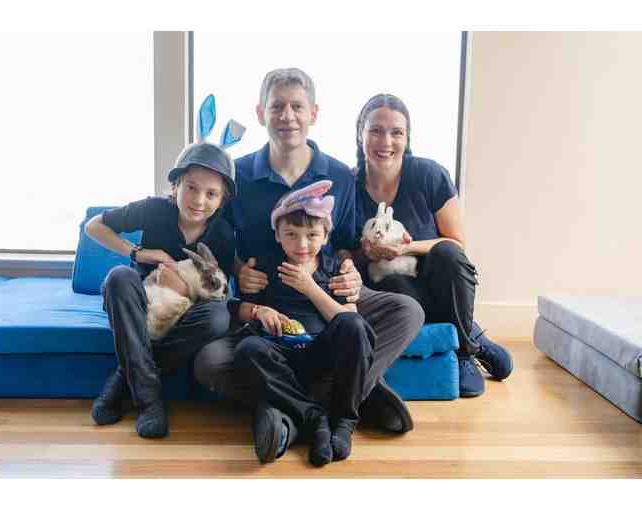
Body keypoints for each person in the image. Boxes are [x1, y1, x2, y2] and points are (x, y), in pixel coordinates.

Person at [193, 68, 424, 462]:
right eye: (277, 107)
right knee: (209, 362)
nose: (288, 116)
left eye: (297, 107)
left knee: (407, 310)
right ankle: (345, 397)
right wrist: (237, 270)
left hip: (327, 289)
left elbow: (347, 247)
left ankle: (300, 407)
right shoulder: (238, 175)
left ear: (313, 113)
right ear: (261, 114)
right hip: (269, 301)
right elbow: (216, 242)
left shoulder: (339, 175)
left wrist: (350, 271)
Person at [353, 93, 513, 397]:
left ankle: (464, 351)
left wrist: (407, 248)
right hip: (394, 290)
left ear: (407, 138)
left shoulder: (429, 174)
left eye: (396, 132)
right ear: (360, 133)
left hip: (436, 280)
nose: (385, 141)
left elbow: (456, 242)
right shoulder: (349, 185)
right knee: (393, 281)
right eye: (375, 130)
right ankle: (471, 331)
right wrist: (367, 252)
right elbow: (343, 255)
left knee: (449, 254)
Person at [85, 140, 237, 438]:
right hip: (140, 304)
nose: (199, 200)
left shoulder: (221, 233)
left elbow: (218, 293)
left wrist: (182, 287)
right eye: (191, 188)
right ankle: (149, 401)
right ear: (176, 185)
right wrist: (138, 252)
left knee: (219, 317)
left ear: (222, 200)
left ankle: (125, 378)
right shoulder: (154, 209)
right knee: (118, 277)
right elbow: (94, 226)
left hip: (185, 313)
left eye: (211, 194)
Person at [235, 181, 375, 465]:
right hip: (280, 353)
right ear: (277, 235)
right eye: (291, 234)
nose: (301, 244)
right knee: (248, 348)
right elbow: (241, 308)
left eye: (312, 235)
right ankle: (314, 419)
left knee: (354, 326)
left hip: (322, 353)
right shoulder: (265, 265)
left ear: (325, 237)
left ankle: (344, 422)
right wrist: (259, 311)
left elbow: (349, 318)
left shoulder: (335, 269)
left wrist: (309, 287)